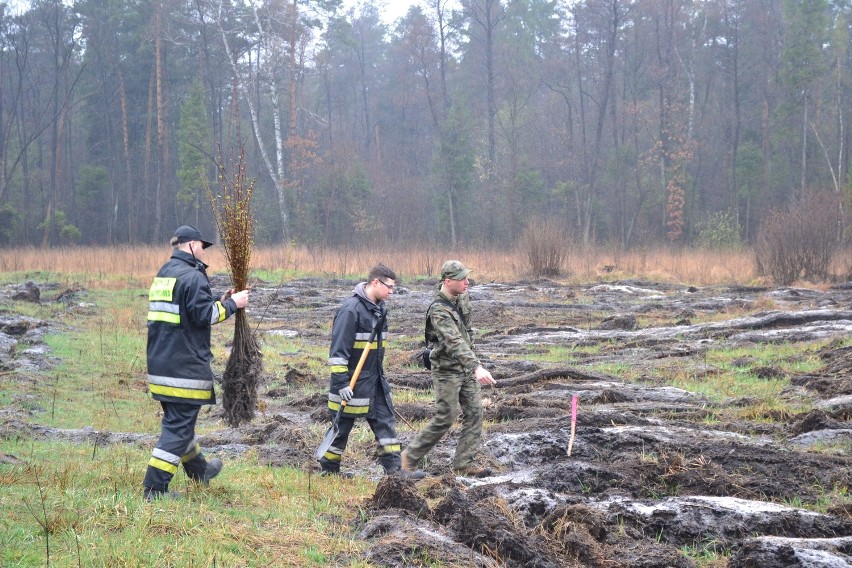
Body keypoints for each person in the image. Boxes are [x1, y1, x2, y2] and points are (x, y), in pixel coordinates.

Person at [142, 225, 250, 500]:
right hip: (184, 368)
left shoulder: (166, 273)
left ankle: (200, 471)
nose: (204, 251)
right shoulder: (193, 276)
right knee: (177, 428)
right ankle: (155, 489)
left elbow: (188, 308)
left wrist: (218, 299)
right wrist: (233, 304)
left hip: (161, 364)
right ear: (191, 245)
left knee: (180, 422)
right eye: (202, 246)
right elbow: (204, 317)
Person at [319, 264, 423, 479]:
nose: (391, 292)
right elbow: (338, 353)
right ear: (375, 282)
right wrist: (341, 385)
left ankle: (395, 471)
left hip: (374, 381)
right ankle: (329, 471)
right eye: (389, 287)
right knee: (341, 429)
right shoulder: (351, 311)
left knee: (386, 423)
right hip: (352, 384)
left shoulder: (380, 310)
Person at [401, 260, 496, 478]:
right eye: (462, 279)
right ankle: (407, 460)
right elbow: (454, 341)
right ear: (448, 281)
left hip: (465, 367)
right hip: (446, 370)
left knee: (475, 412)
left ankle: (464, 463)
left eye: (467, 277)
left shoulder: (462, 295)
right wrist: (476, 367)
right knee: (446, 416)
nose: (467, 282)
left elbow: (467, 331)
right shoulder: (438, 311)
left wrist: (471, 364)